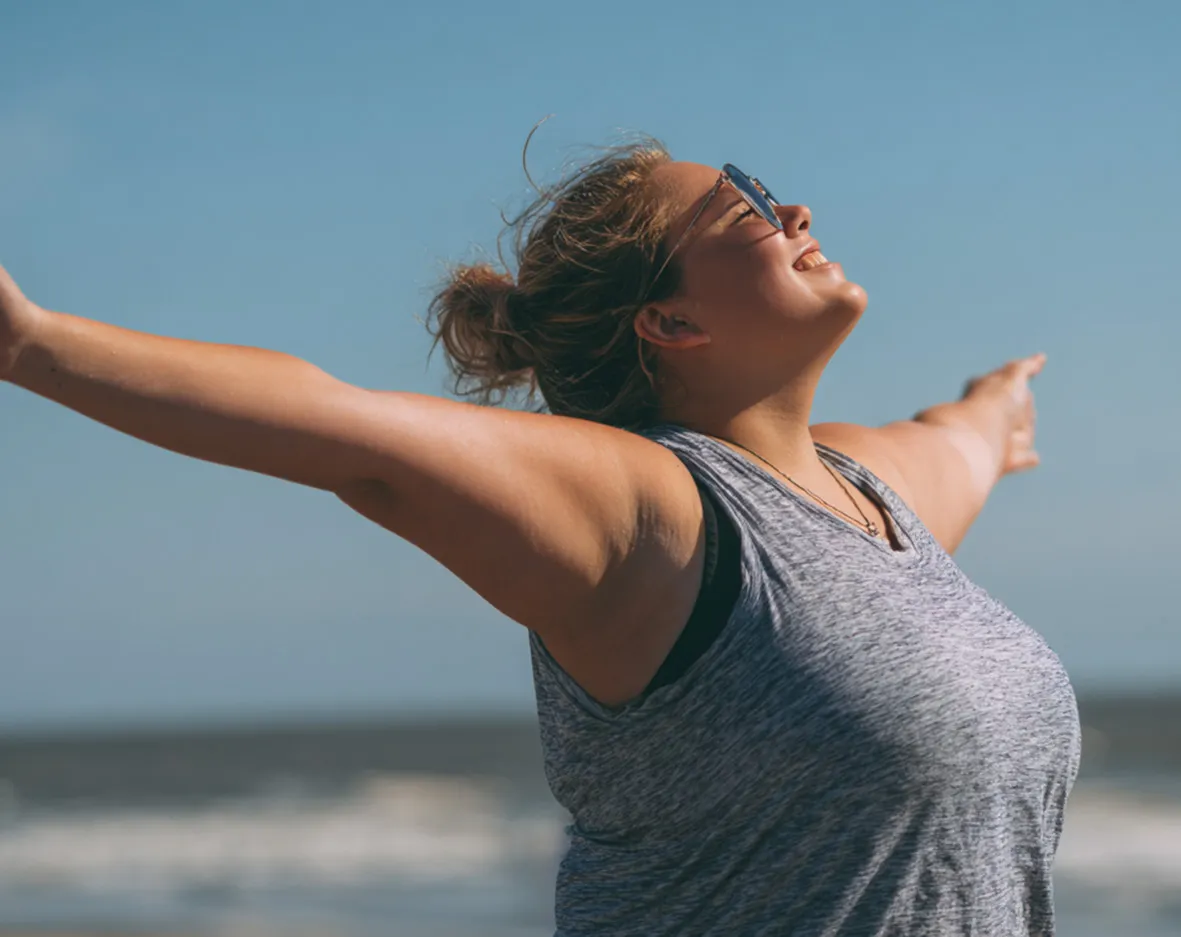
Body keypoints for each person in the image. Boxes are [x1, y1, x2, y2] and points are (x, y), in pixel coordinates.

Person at [0, 141, 1081, 936]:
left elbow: (959, 439)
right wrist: (31, 344)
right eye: (742, 203)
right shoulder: (650, 510)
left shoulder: (871, 491)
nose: (791, 206)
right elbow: (346, 431)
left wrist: (996, 408)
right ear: (671, 321)